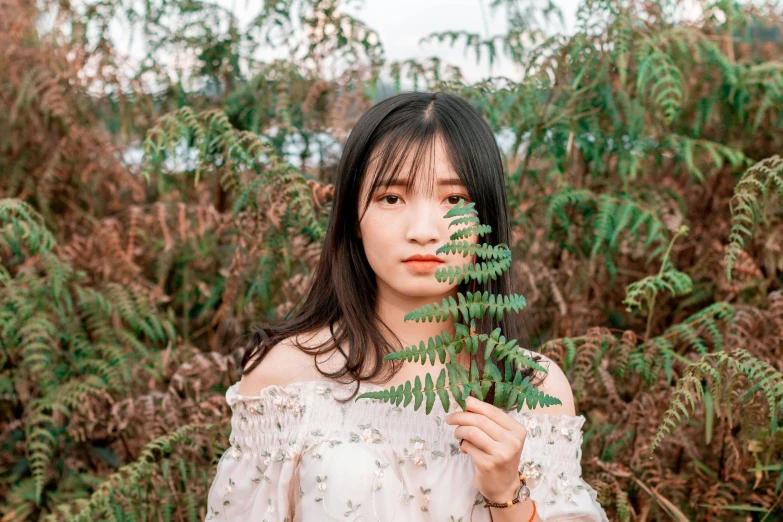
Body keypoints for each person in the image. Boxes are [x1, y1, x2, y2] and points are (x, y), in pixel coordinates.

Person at [205, 91, 609, 521]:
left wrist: (506, 493)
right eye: (391, 198)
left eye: (453, 199)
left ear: (485, 222)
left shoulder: (533, 389)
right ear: (352, 219)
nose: (422, 231)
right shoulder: (284, 380)